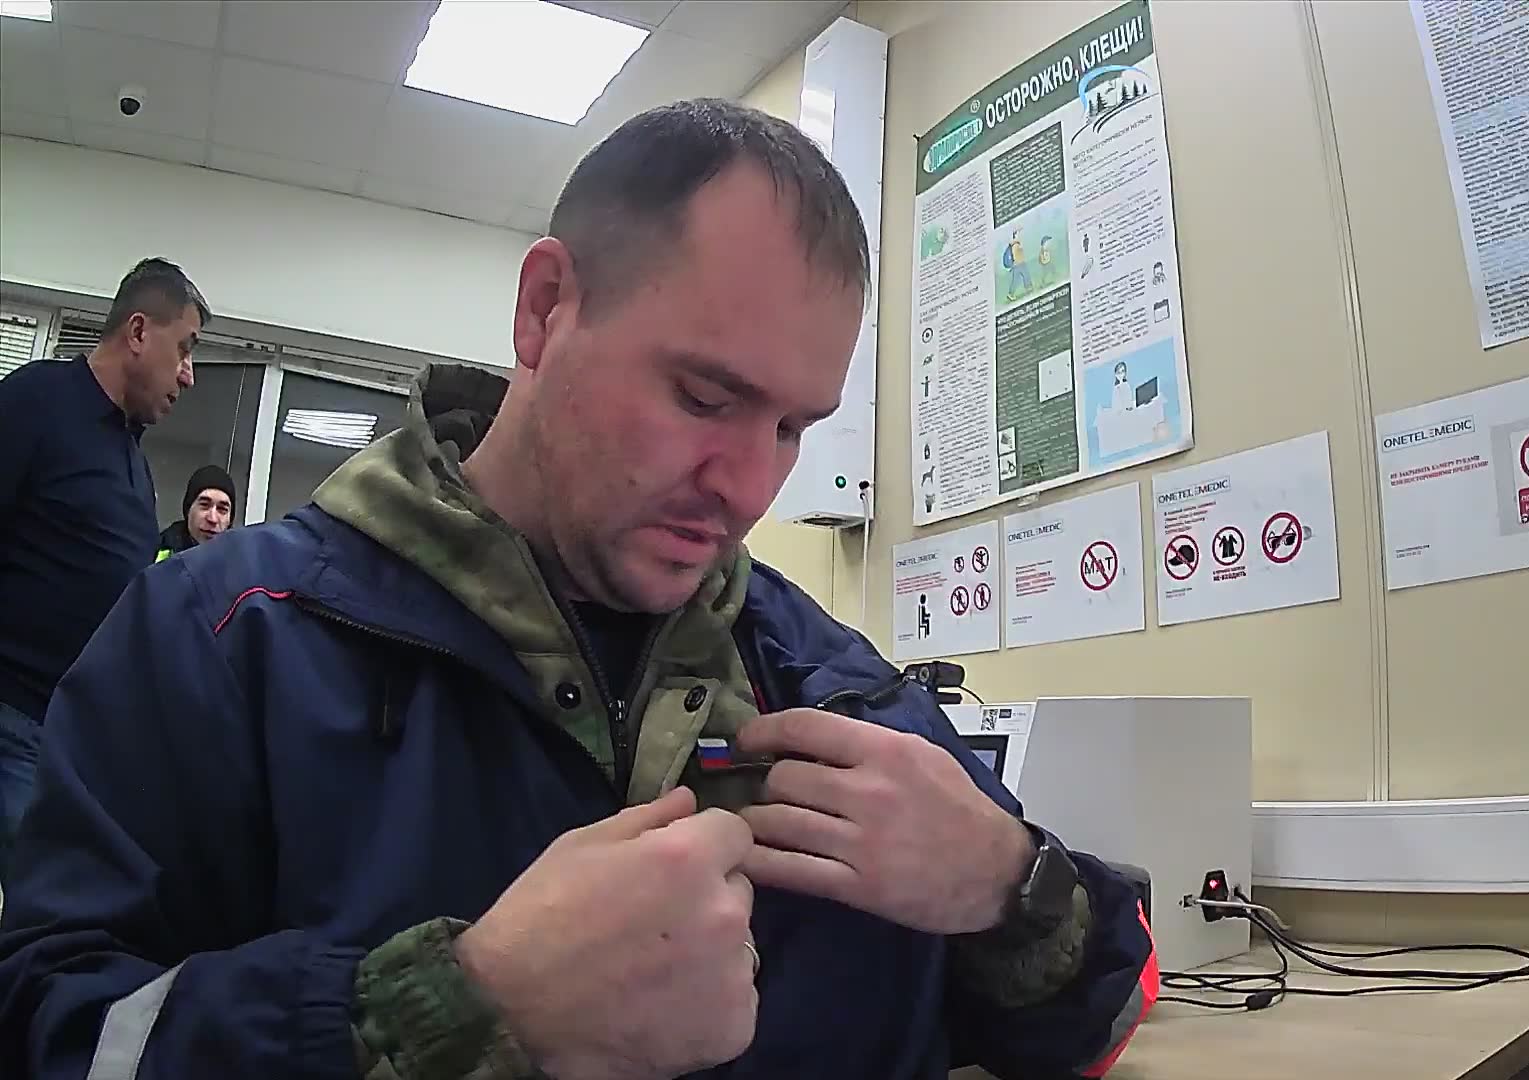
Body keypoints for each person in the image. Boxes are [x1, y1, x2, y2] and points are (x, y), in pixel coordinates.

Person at [0, 100, 1154, 1079]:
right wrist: (451, 1012)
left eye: (792, 427)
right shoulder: (218, 642)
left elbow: (1110, 998)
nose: (748, 486)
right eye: (704, 398)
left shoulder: (827, 683)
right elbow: (50, 1030)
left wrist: (1012, 888)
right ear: (546, 308)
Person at [0, 256, 208, 877]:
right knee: (46, 898)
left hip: (68, 736)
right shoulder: (37, 400)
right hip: (10, 718)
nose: (189, 374)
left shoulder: (133, 462)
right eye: (185, 348)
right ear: (138, 332)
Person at [156, 464, 236, 559]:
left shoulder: (241, 560)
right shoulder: (156, 552)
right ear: (188, 509)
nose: (212, 519)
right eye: (204, 505)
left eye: (222, 509)